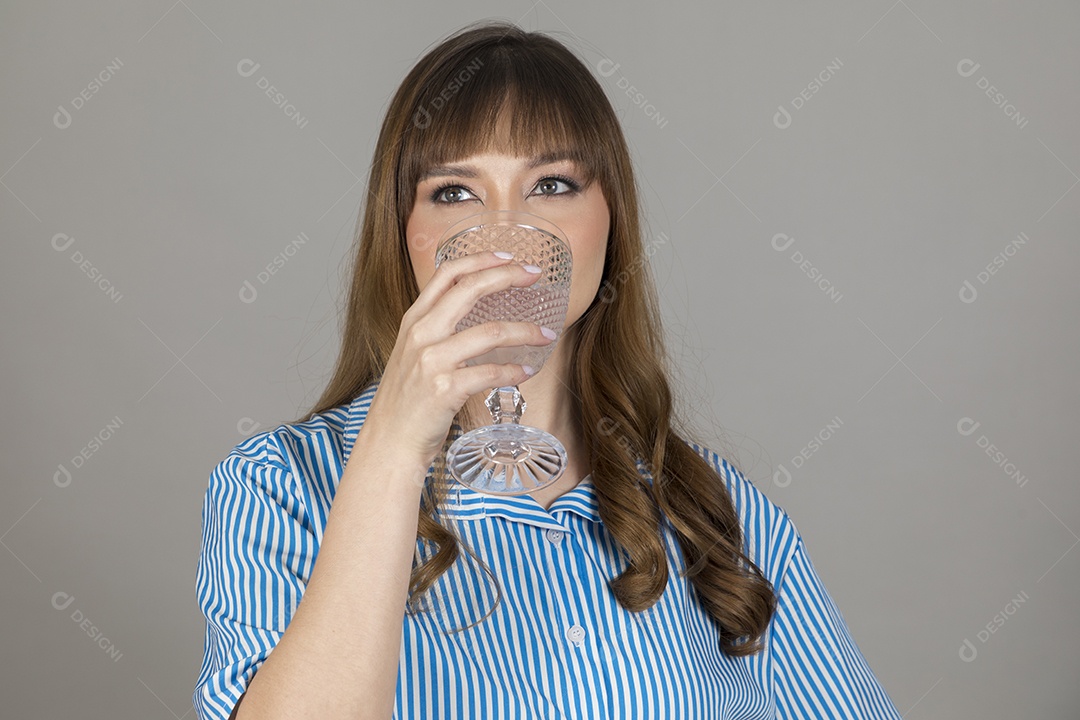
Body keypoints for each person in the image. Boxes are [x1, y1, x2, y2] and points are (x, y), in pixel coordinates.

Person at [192, 20, 904, 720]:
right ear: (402, 233)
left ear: (611, 218)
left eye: (553, 185)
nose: (508, 234)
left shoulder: (717, 512)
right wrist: (396, 448)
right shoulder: (278, 486)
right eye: (455, 193)